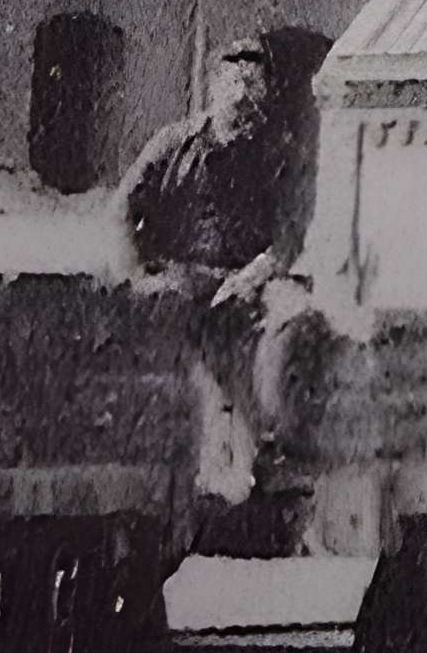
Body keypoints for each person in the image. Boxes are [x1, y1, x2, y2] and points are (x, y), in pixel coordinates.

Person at [122, 41, 309, 503]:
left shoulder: (277, 157)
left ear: (265, 91)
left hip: (244, 282)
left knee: (268, 336)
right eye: (233, 80)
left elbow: (291, 237)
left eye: (253, 81)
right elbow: (120, 212)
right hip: (176, 279)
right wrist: (136, 272)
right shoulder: (173, 145)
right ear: (213, 86)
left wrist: (248, 277)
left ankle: (245, 465)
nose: (243, 92)